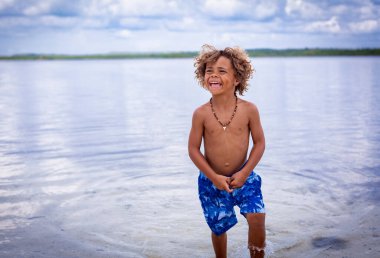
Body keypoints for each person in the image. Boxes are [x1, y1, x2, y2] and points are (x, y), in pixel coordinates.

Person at [188, 44, 266, 258]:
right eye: (209, 71)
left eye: (222, 71)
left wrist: (244, 173)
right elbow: (193, 150)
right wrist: (213, 177)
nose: (213, 75)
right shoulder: (201, 114)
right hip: (211, 181)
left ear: (237, 78)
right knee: (219, 227)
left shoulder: (249, 110)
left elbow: (259, 143)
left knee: (258, 217)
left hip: (244, 176)